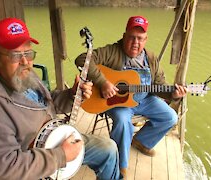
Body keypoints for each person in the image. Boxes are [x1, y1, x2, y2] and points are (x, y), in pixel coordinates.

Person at [0, 17, 121, 180]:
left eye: (28, 53)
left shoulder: (23, 74)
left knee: (108, 149)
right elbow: (5, 167)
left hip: (55, 137)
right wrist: (60, 155)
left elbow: (46, 103)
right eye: (15, 55)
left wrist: (72, 95)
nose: (25, 61)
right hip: (34, 165)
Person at [75, 15, 187, 178]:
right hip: (120, 103)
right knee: (122, 122)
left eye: (140, 39)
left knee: (170, 117)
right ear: (124, 36)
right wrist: (103, 82)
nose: (136, 42)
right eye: (132, 38)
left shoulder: (151, 58)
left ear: (146, 39)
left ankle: (142, 141)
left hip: (145, 100)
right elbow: (82, 60)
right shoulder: (112, 51)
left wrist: (173, 94)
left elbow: (160, 85)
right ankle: (121, 164)